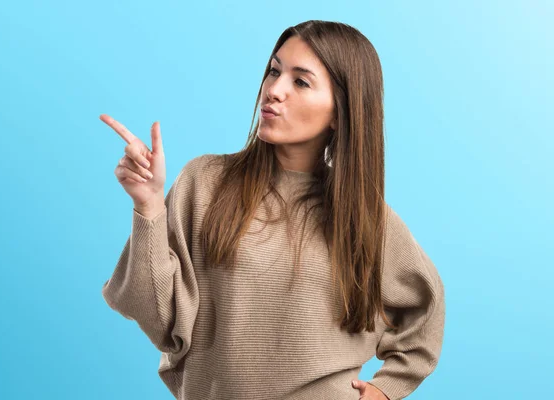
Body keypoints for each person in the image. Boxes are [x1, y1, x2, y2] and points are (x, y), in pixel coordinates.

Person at [100, 20, 445, 400]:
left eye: (300, 81)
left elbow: (424, 314)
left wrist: (385, 390)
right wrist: (148, 204)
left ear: (339, 112)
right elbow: (161, 321)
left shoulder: (364, 219)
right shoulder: (205, 182)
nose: (274, 90)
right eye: (274, 70)